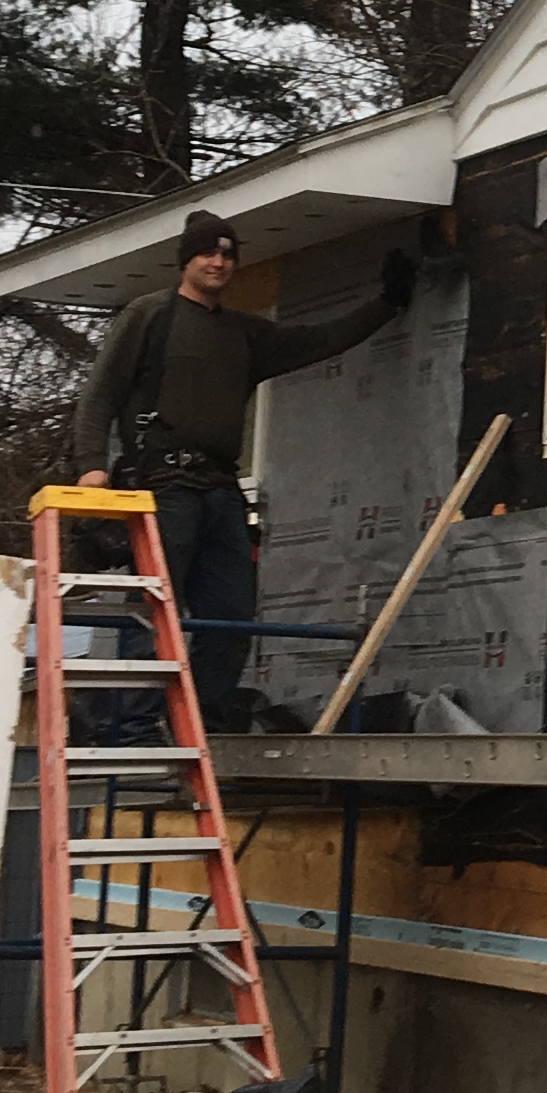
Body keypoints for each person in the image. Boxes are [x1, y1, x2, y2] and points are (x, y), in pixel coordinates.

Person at [68, 210, 416, 735]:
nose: (219, 262)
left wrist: (388, 305)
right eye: (209, 252)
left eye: (229, 254)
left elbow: (317, 339)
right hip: (161, 486)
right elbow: (99, 395)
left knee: (230, 616)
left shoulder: (241, 333)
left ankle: (201, 723)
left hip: (220, 491)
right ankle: (134, 725)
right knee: (153, 608)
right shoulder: (151, 316)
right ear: (186, 259)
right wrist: (92, 467)